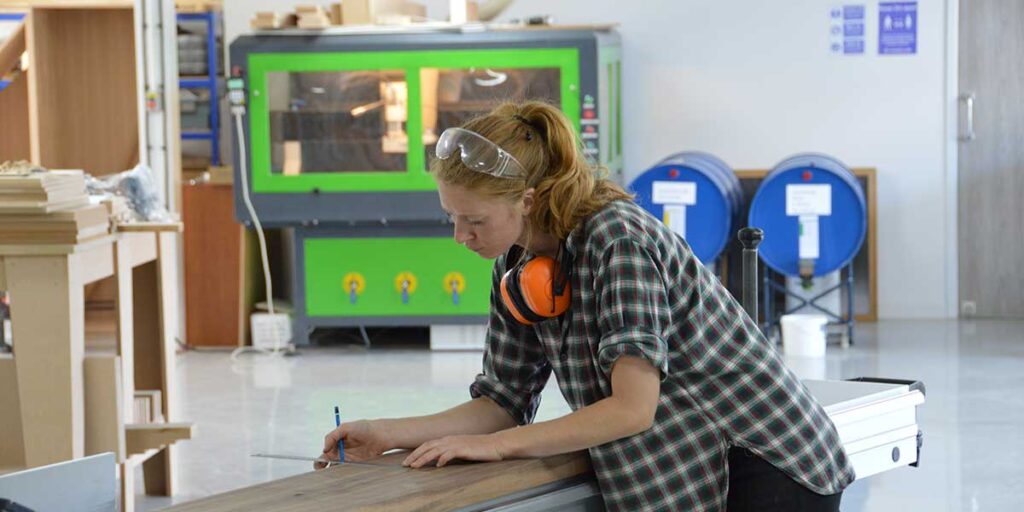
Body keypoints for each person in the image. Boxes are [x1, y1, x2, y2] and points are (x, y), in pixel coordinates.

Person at [316, 100, 854, 511]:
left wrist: (503, 448)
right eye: (452, 217)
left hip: (763, 466)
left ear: (527, 200)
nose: (460, 236)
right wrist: (387, 432)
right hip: (690, 470)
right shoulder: (515, 264)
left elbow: (632, 407)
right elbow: (501, 401)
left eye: (474, 220)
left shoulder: (617, 240)